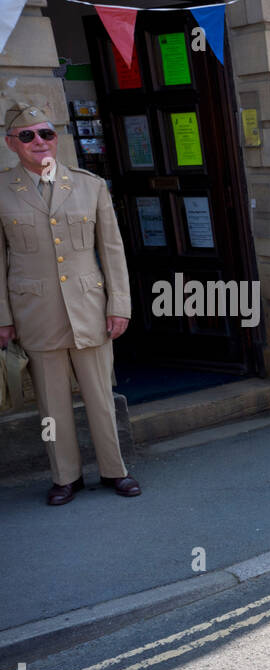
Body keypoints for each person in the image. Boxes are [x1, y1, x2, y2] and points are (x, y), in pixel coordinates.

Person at [0, 103, 140, 506]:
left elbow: (112, 251)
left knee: (99, 396)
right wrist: (3, 318)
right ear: (12, 144)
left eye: (45, 133)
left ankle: (116, 470)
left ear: (55, 138)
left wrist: (120, 305)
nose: (38, 142)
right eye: (27, 136)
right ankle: (65, 477)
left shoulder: (89, 186)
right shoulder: (3, 190)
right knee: (51, 404)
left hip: (89, 308)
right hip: (35, 312)